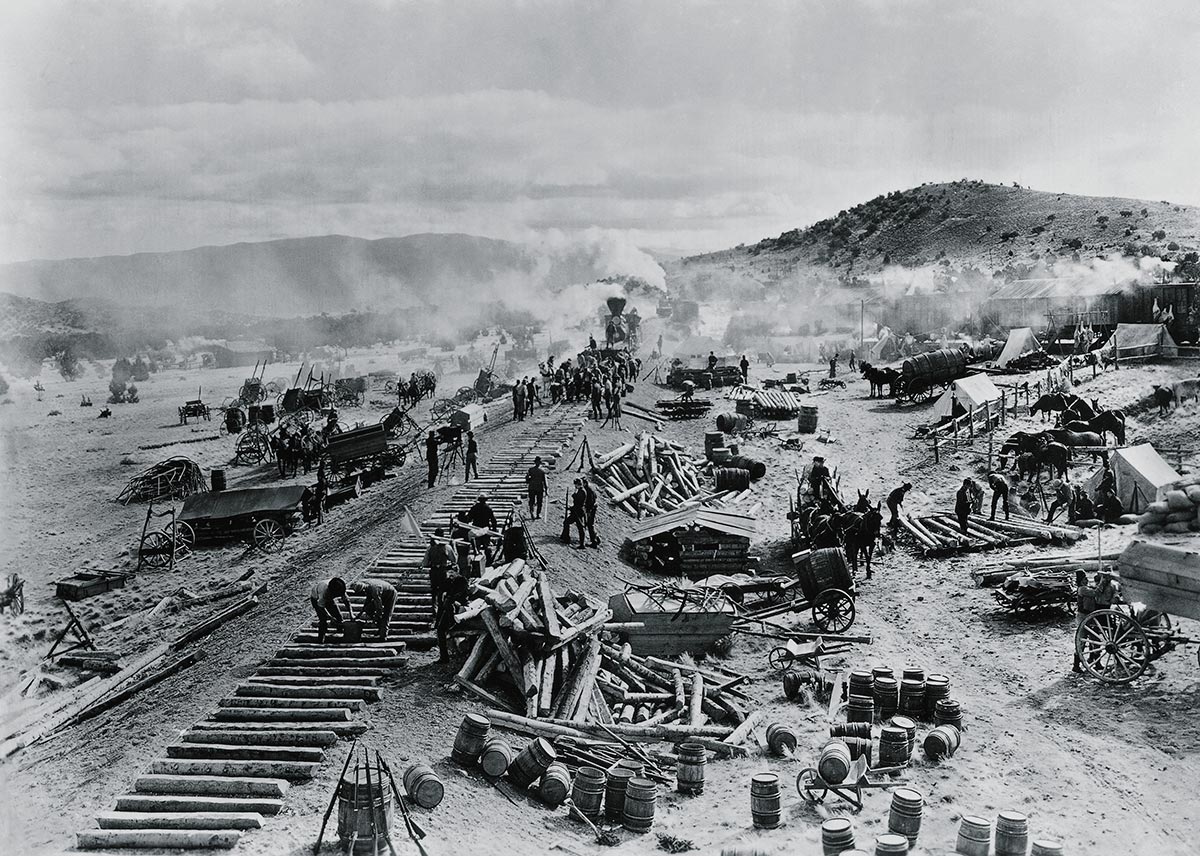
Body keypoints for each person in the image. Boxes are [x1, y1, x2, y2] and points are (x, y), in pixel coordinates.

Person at [436, 568, 470, 663]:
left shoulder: (462, 580)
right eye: (449, 573)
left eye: (452, 573)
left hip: (460, 610)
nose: (450, 575)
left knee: (441, 630)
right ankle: (444, 657)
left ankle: (446, 657)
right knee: (440, 630)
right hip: (449, 609)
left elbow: (460, 595)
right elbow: (442, 590)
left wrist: (449, 598)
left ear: (456, 572)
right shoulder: (449, 581)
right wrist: (444, 594)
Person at [310, 577, 353, 643]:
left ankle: (339, 635)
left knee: (338, 616)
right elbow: (321, 607)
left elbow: (347, 601)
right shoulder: (324, 591)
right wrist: (330, 617)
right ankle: (321, 639)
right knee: (323, 620)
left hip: (328, 599)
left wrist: (351, 614)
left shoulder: (339, 587)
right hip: (316, 600)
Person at [425, 527, 457, 614]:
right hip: (443, 570)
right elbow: (454, 559)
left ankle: (434, 607)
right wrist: (454, 546)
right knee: (442, 589)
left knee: (434, 590)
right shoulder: (446, 547)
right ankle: (441, 608)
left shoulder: (430, 548)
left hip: (433, 570)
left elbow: (425, 562)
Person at [570, 478, 588, 548]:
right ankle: (565, 538)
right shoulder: (580, 490)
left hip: (579, 511)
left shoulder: (582, 491)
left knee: (580, 527)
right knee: (566, 522)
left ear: (578, 484)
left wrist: (574, 496)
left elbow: (578, 502)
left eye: (575, 485)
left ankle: (582, 544)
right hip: (576, 511)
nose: (575, 486)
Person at [583, 478, 600, 548]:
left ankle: (594, 542)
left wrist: (588, 511)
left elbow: (591, 502)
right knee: (590, 524)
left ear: (585, 483)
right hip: (592, 508)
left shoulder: (588, 490)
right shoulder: (590, 488)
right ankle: (597, 538)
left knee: (590, 524)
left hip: (591, 509)